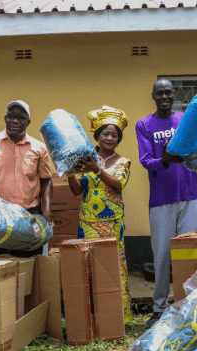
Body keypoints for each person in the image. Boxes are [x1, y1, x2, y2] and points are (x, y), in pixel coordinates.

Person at [135, 80, 197, 327]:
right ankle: (159, 308)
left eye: (168, 92)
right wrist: (164, 159)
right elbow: (146, 161)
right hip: (161, 198)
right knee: (162, 255)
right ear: (153, 96)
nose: (164, 96)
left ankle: (190, 305)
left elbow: (196, 150)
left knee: (191, 252)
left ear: (174, 95)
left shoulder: (184, 119)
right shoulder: (144, 124)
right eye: (159, 92)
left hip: (190, 195)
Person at [67, 105, 133, 322]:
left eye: (115, 135)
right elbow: (77, 191)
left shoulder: (123, 162)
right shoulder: (85, 159)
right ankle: (92, 315)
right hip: (88, 222)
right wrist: (69, 173)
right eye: (106, 133)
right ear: (97, 135)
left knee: (114, 266)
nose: (110, 137)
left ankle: (118, 315)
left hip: (113, 225)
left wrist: (96, 169)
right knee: (87, 267)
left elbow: (118, 184)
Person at [0, 100, 53, 257]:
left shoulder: (38, 148)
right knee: (2, 263)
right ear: (5, 118)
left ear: (28, 122)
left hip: (29, 214)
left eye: (20, 118)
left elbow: (46, 179)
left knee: (30, 260)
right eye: (11, 116)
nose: (15, 121)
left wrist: (47, 208)